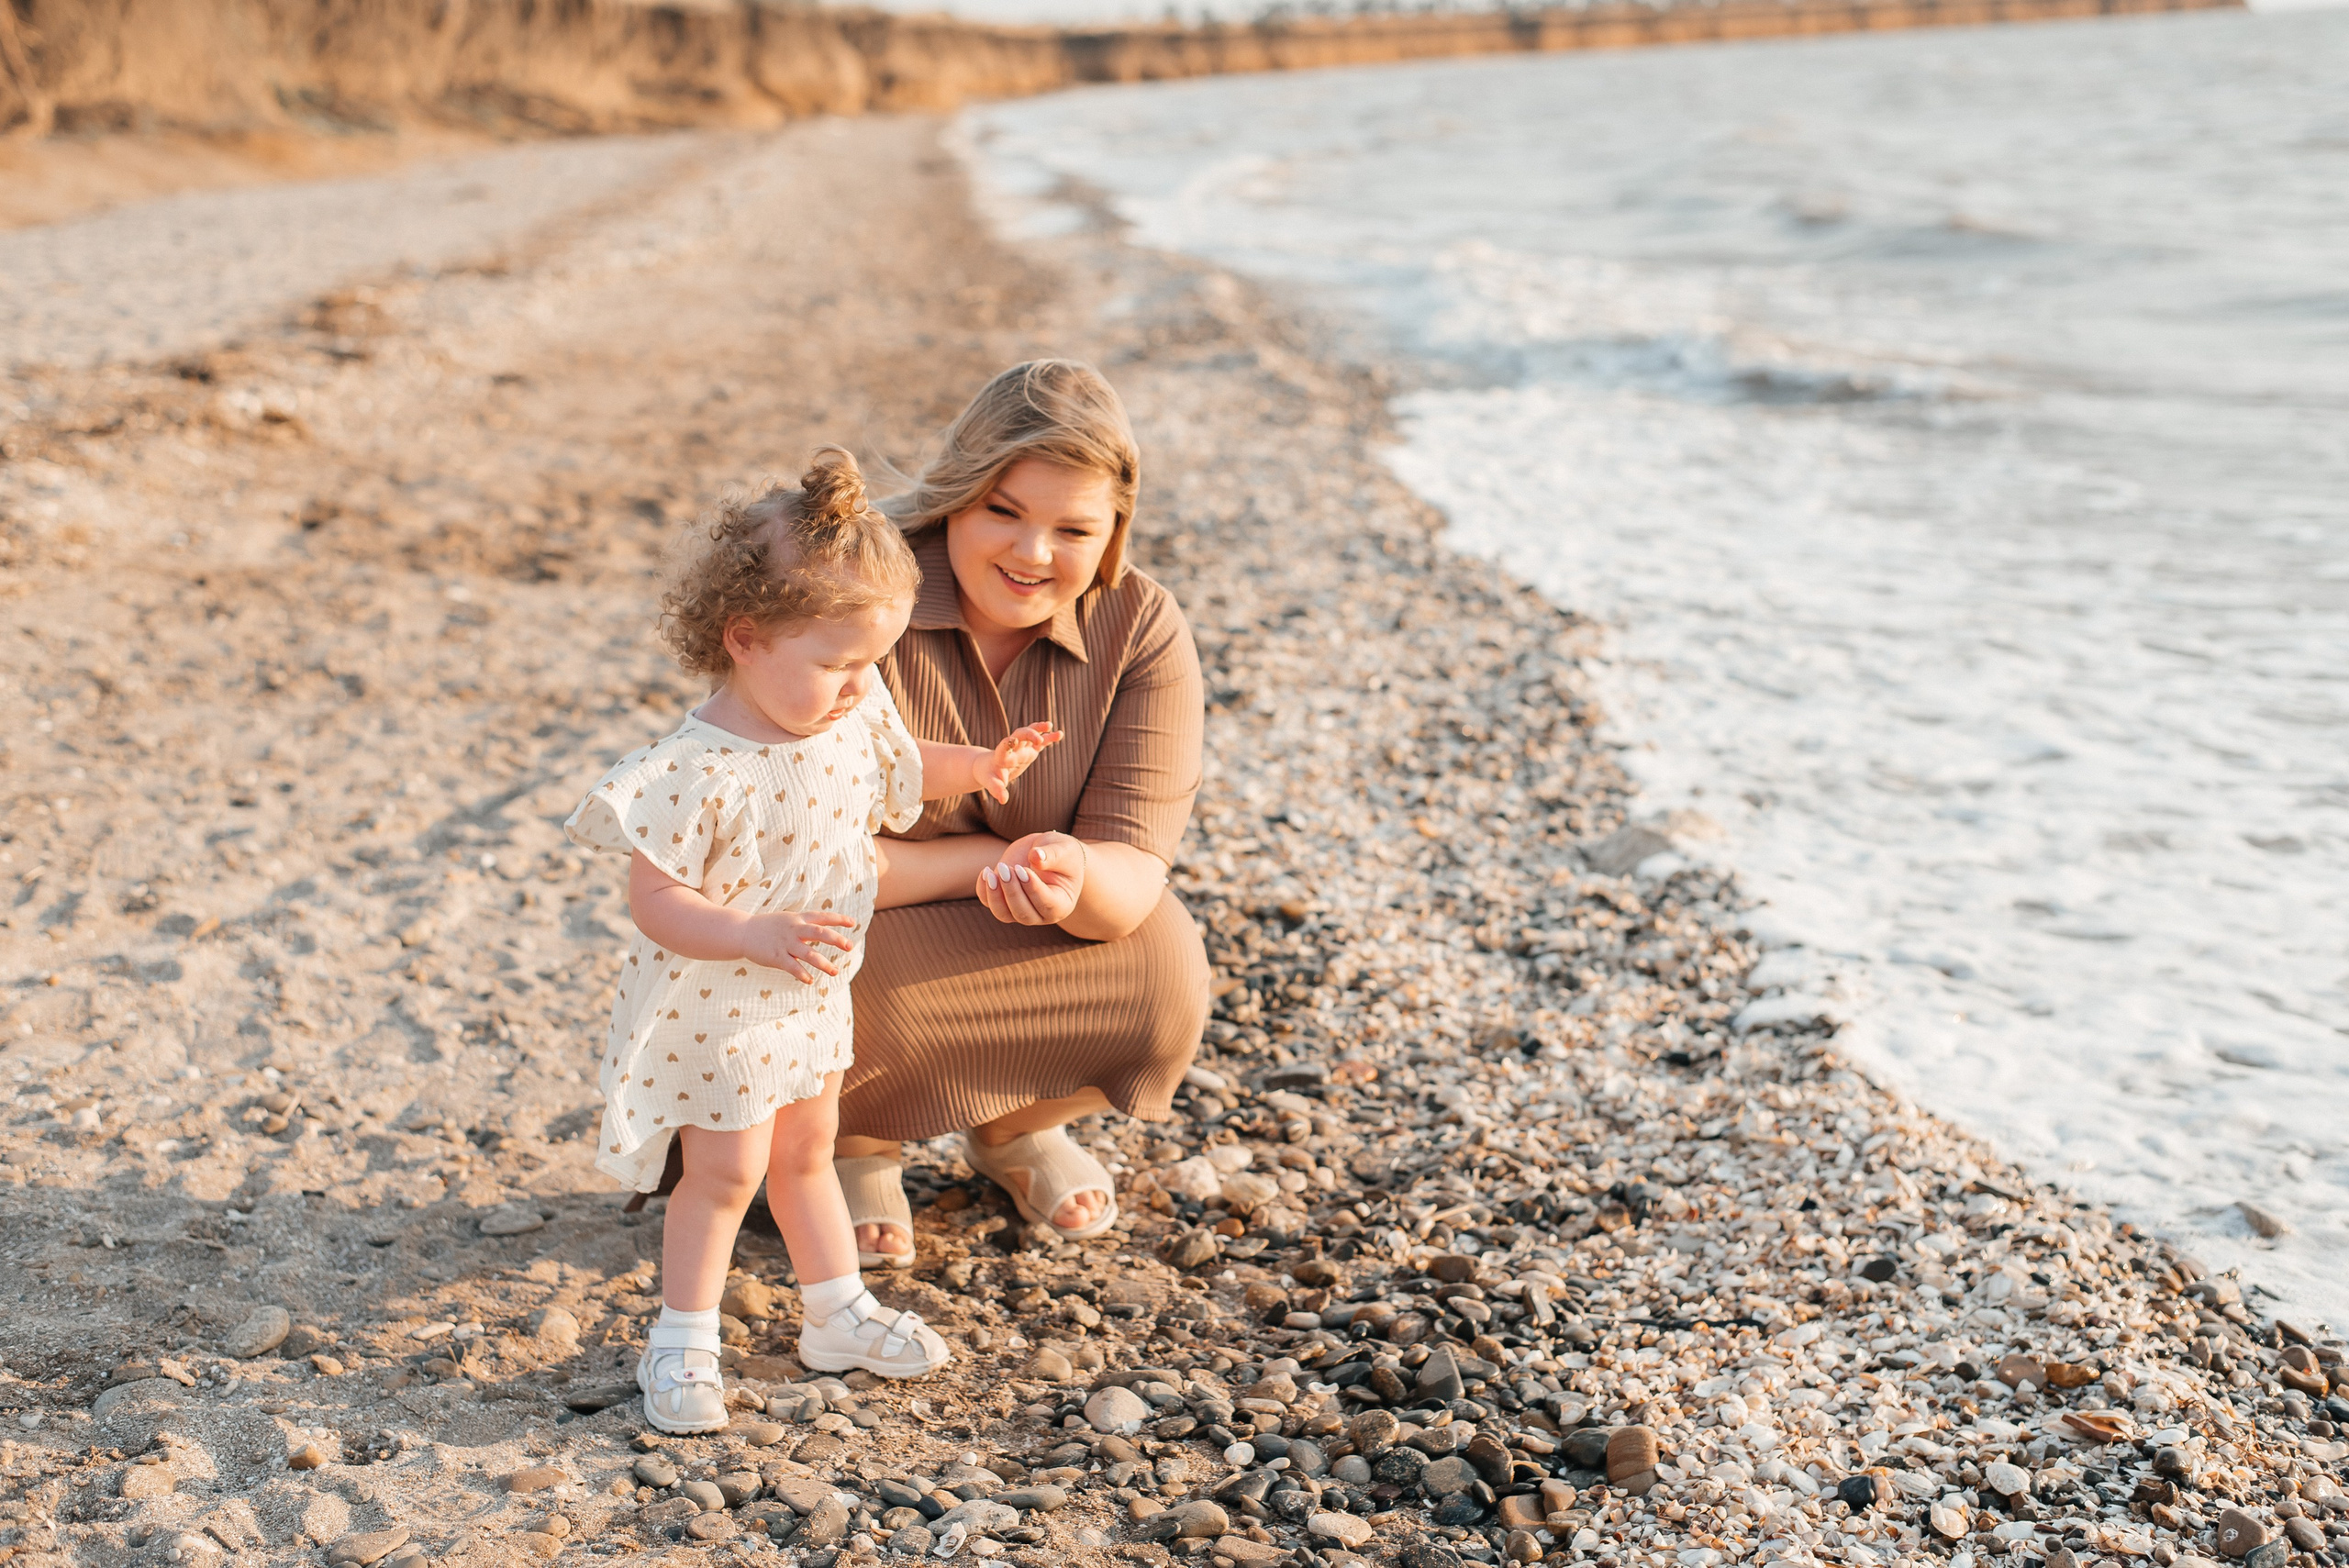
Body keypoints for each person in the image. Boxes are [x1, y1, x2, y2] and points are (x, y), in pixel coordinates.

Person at [565, 449, 1059, 1432]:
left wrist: (981, 766)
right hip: (724, 1001)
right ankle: (681, 1342)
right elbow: (653, 901)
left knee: (810, 1152)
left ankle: (836, 1311)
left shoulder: (847, 709)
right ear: (743, 638)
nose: (857, 684)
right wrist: (752, 932)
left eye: (868, 660)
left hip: (810, 989)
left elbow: (898, 761)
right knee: (723, 1173)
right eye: (836, 662)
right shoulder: (692, 768)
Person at [832, 361, 1211, 1265]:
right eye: (1003, 510)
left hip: (1001, 935)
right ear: (956, 497)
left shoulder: (1141, 624)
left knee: (1163, 972)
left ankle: (1011, 1129)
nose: (1032, 553)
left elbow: (1132, 869)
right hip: (843, 920)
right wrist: (979, 867)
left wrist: (1071, 875)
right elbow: (793, 854)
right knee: (816, 964)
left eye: (1072, 528)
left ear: (1113, 530)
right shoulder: (855, 588)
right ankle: (848, 1142)